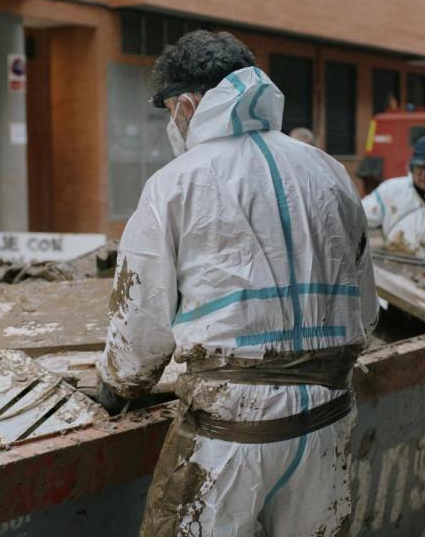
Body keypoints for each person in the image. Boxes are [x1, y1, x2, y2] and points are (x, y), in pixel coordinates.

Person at [96, 30, 378, 536]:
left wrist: (117, 387)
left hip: (230, 437)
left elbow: (140, 327)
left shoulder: (175, 183)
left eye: (167, 111)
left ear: (187, 105)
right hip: (328, 422)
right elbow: (367, 311)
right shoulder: (331, 171)